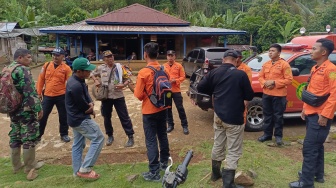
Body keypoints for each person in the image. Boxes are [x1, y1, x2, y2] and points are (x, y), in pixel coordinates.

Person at [197, 50, 254, 187]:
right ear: (236, 61)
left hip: (218, 115)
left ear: (223, 60)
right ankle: (228, 183)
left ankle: (215, 174)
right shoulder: (241, 74)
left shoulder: (213, 73)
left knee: (218, 143)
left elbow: (200, 87)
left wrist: (215, 92)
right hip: (234, 117)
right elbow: (249, 95)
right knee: (233, 149)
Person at [289, 39, 336, 188]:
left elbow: (334, 94)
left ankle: (306, 182)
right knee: (317, 146)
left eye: (314, 49)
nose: (311, 51)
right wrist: (304, 108)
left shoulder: (331, 70)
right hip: (311, 112)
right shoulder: (315, 68)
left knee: (309, 147)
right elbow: (310, 90)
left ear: (323, 52)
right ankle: (318, 174)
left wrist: (326, 115)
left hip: (320, 116)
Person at [134, 42, 170, 182]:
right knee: (163, 136)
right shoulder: (164, 69)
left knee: (151, 140)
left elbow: (138, 95)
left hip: (149, 111)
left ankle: (154, 172)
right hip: (163, 108)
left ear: (145, 55)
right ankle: (164, 163)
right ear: (158, 54)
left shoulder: (144, 72)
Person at [65, 57, 105, 180]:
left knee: (78, 144)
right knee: (98, 138)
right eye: (87, 71)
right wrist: (91, 108)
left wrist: (91, 103)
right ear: (79, 71)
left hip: (74, 118)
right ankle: (85, 169)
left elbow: (87, 96)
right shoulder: (75, 85)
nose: (89, 73)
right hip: (80, 119)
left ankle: (77, 172)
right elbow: (84, 107)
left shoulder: (78, 80)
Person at [8, 49, 44, 180]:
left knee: (15, 135)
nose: (31, 60)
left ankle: (16, 166)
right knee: (28, 136)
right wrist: (38, 108)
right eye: (28, 57)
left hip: (12, 108)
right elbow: (29, 91)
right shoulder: (23, 70)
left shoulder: (8, 69)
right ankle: (30, 166)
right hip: (25, 110)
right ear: (20, 58)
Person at [90, 50, 135, 147]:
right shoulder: (101, 68)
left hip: (118, 96)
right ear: (104, 59)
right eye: (108, 57)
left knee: (124, 117)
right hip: (107, 97)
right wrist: (96, 80)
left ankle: (130, 136)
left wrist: (123, 85)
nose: (110, 58)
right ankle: (110, 135)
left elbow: (128, 79)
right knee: (106, 117)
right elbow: (91, 73)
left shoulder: (120, 67)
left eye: (111, 56)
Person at [257, 43, 293, 145]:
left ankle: (278, 136)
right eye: (269, 51)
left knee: (278, 116)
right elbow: (260, 77)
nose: (270, 53)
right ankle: (267, 135)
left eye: (273, 51)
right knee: (267, 115)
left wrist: (275, 83)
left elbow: (289, 80)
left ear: (279, 53)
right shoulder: (266, 64)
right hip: (267, 94)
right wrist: (265, 83)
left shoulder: (284, 64)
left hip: (279, 95)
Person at [36, 47, 72, 142]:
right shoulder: (46, 65)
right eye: (54, 55)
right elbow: (41, 80)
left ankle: (64, 134)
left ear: (63, 57)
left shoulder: (66, 68)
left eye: (57, 55)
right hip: (47, 95)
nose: (55, 57)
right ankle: (38, 135)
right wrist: (39, 93)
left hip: (61, 96)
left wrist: (70, 96)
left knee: (63, 116)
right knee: (42, 116)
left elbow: (70, 83)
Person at [163, 50, 189, 134]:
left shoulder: (179, 66)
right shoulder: (163, 66)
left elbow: (183, 77)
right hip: (167, 91)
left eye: (172, 55)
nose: (170, 57)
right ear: (167, 56)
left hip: (176, 91)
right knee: (168, 109)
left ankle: (185, 126)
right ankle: (170, 125)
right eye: (169, 55)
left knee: (180, 108)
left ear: (175, 56)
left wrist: (176, 80)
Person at [236, 50, 252, 126]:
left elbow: (248, 84)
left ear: (240, 58)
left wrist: (246, 98)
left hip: (241, 95)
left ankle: (242, 127)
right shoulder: (230, 67)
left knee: (242, 113)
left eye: (237, 57)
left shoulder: (246, 69)